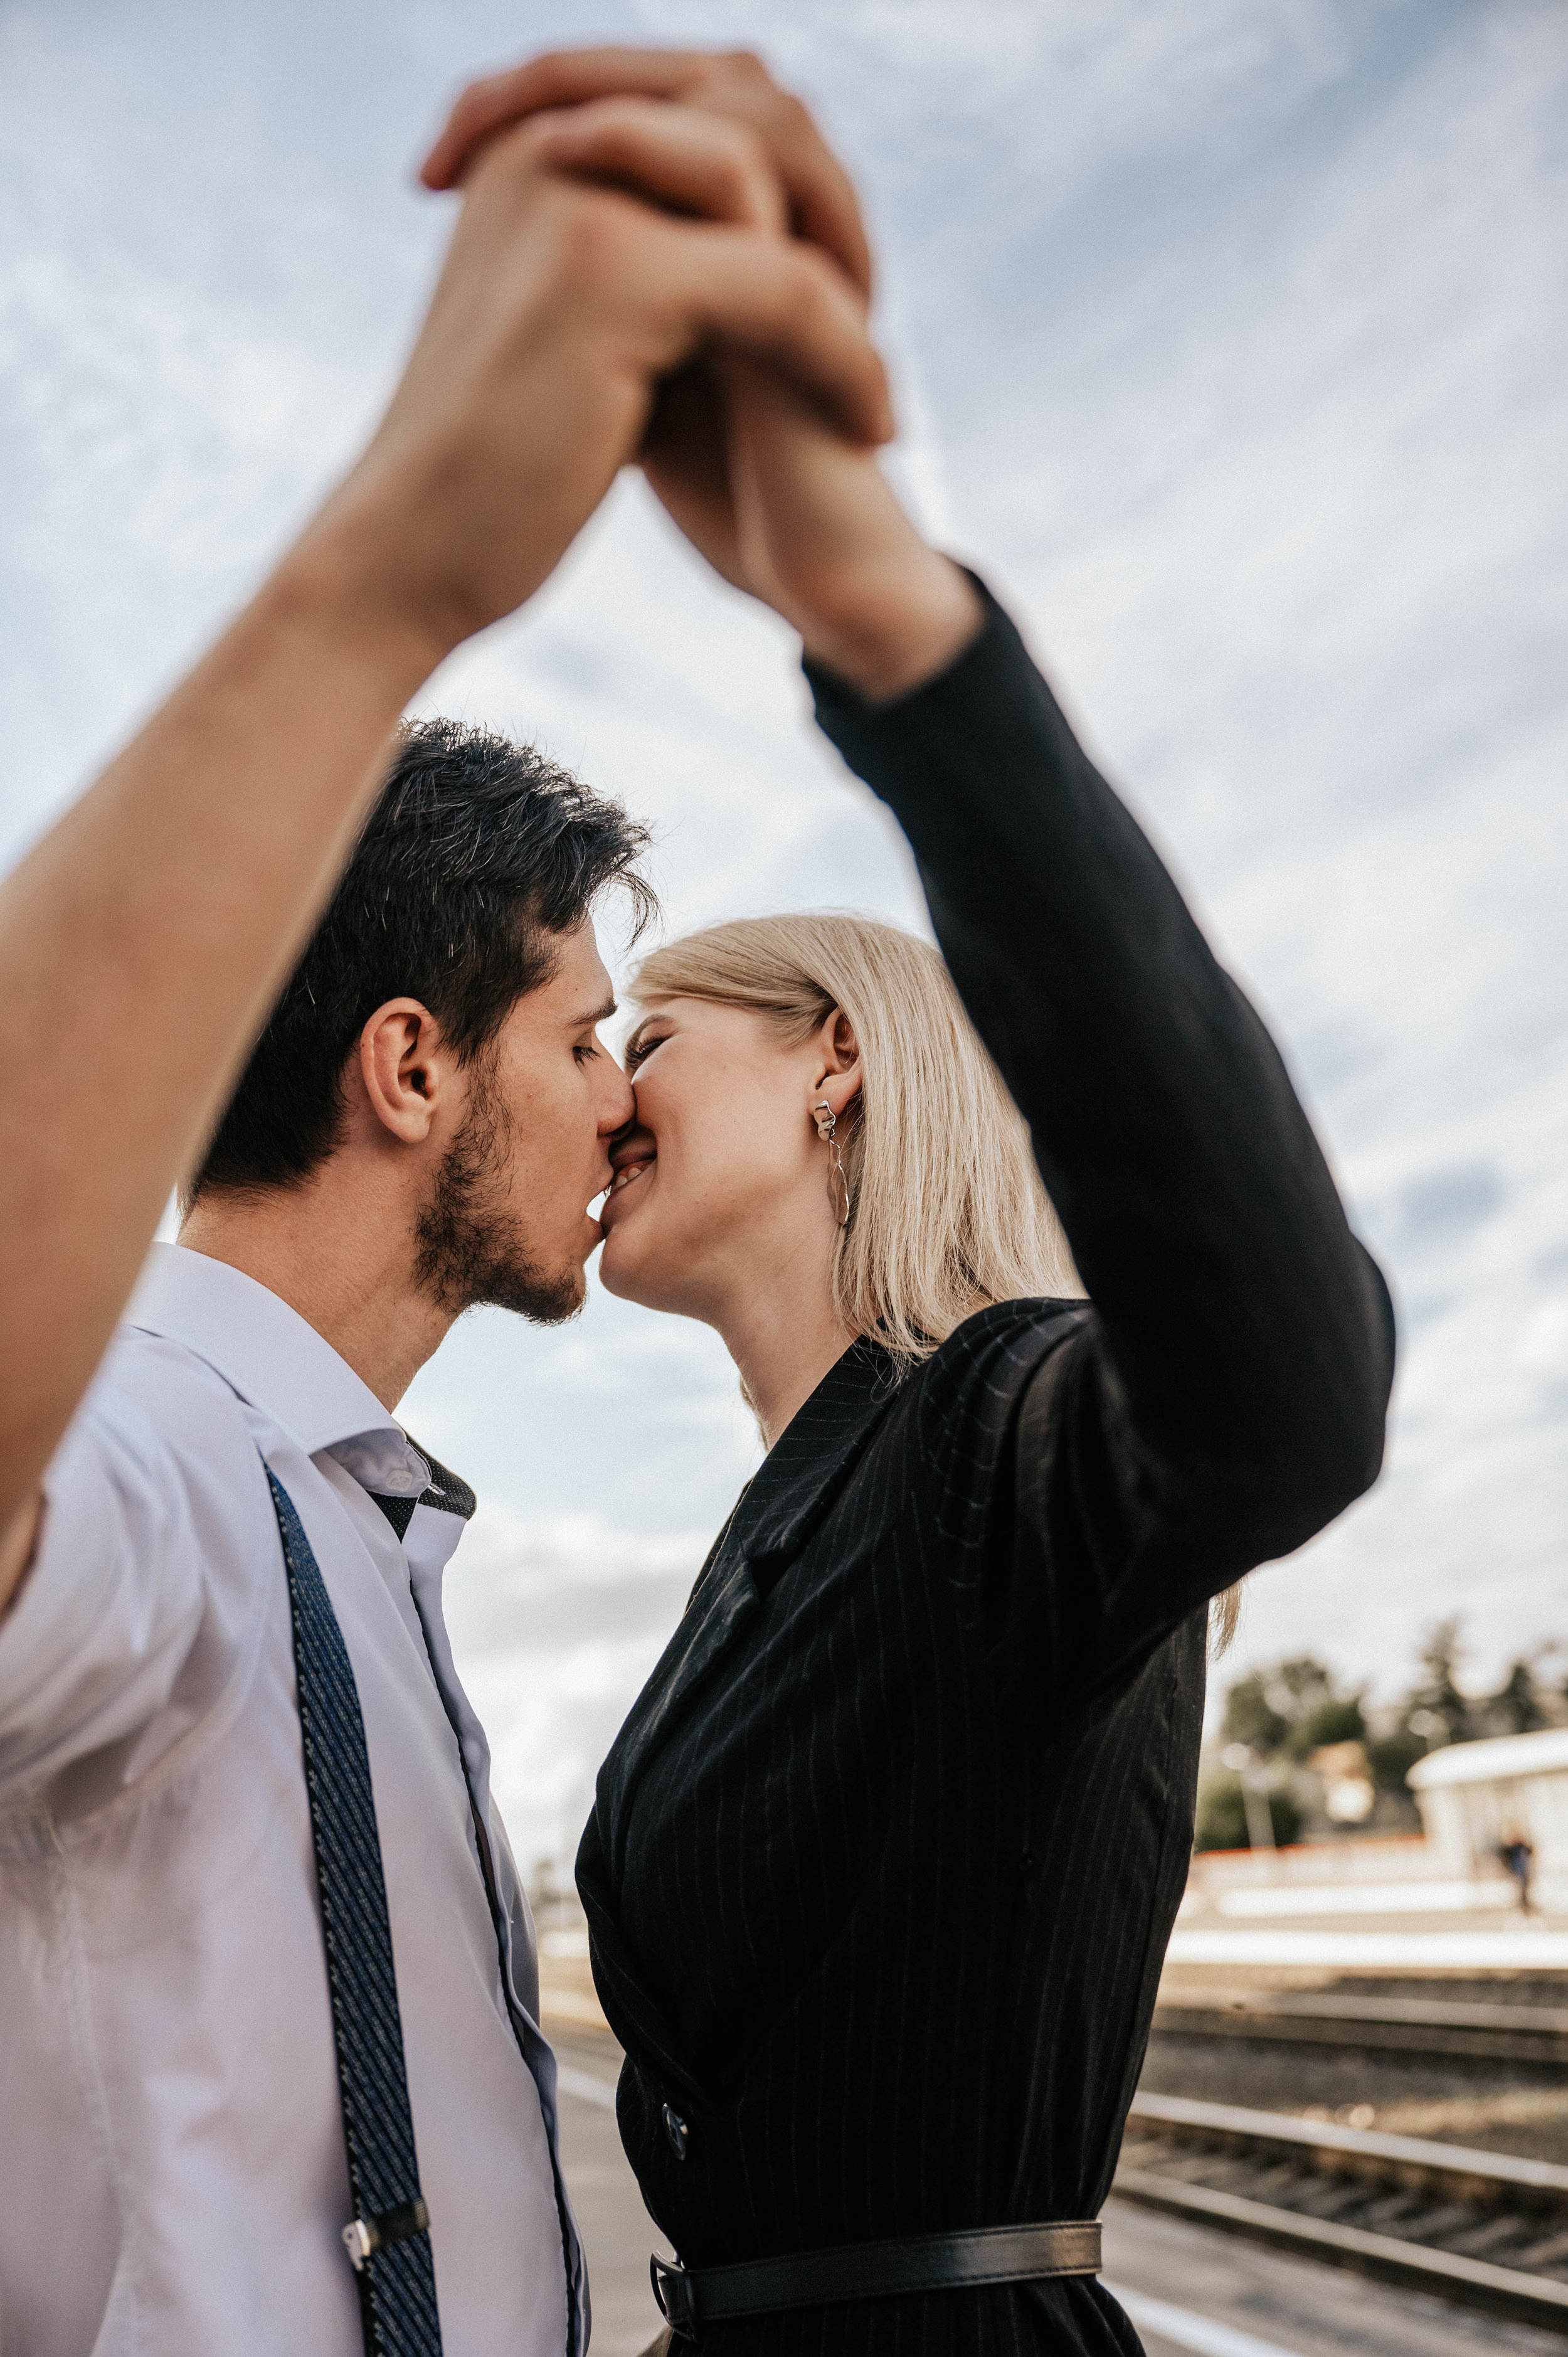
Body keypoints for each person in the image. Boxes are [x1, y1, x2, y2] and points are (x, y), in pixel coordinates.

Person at [426, 51, 1398, 2357]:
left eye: (647, 1032)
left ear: (838, 1061)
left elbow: (1286, 1379)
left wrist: (893, 635)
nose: (603, 1087)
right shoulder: (793, 1507)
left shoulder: (999, 1432)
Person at [0, 70, 893, 2357]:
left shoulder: (357, 1520)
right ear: (410, 1069)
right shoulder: (165, 1465)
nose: (621, 1102)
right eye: (585, 1032)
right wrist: (392, 569)